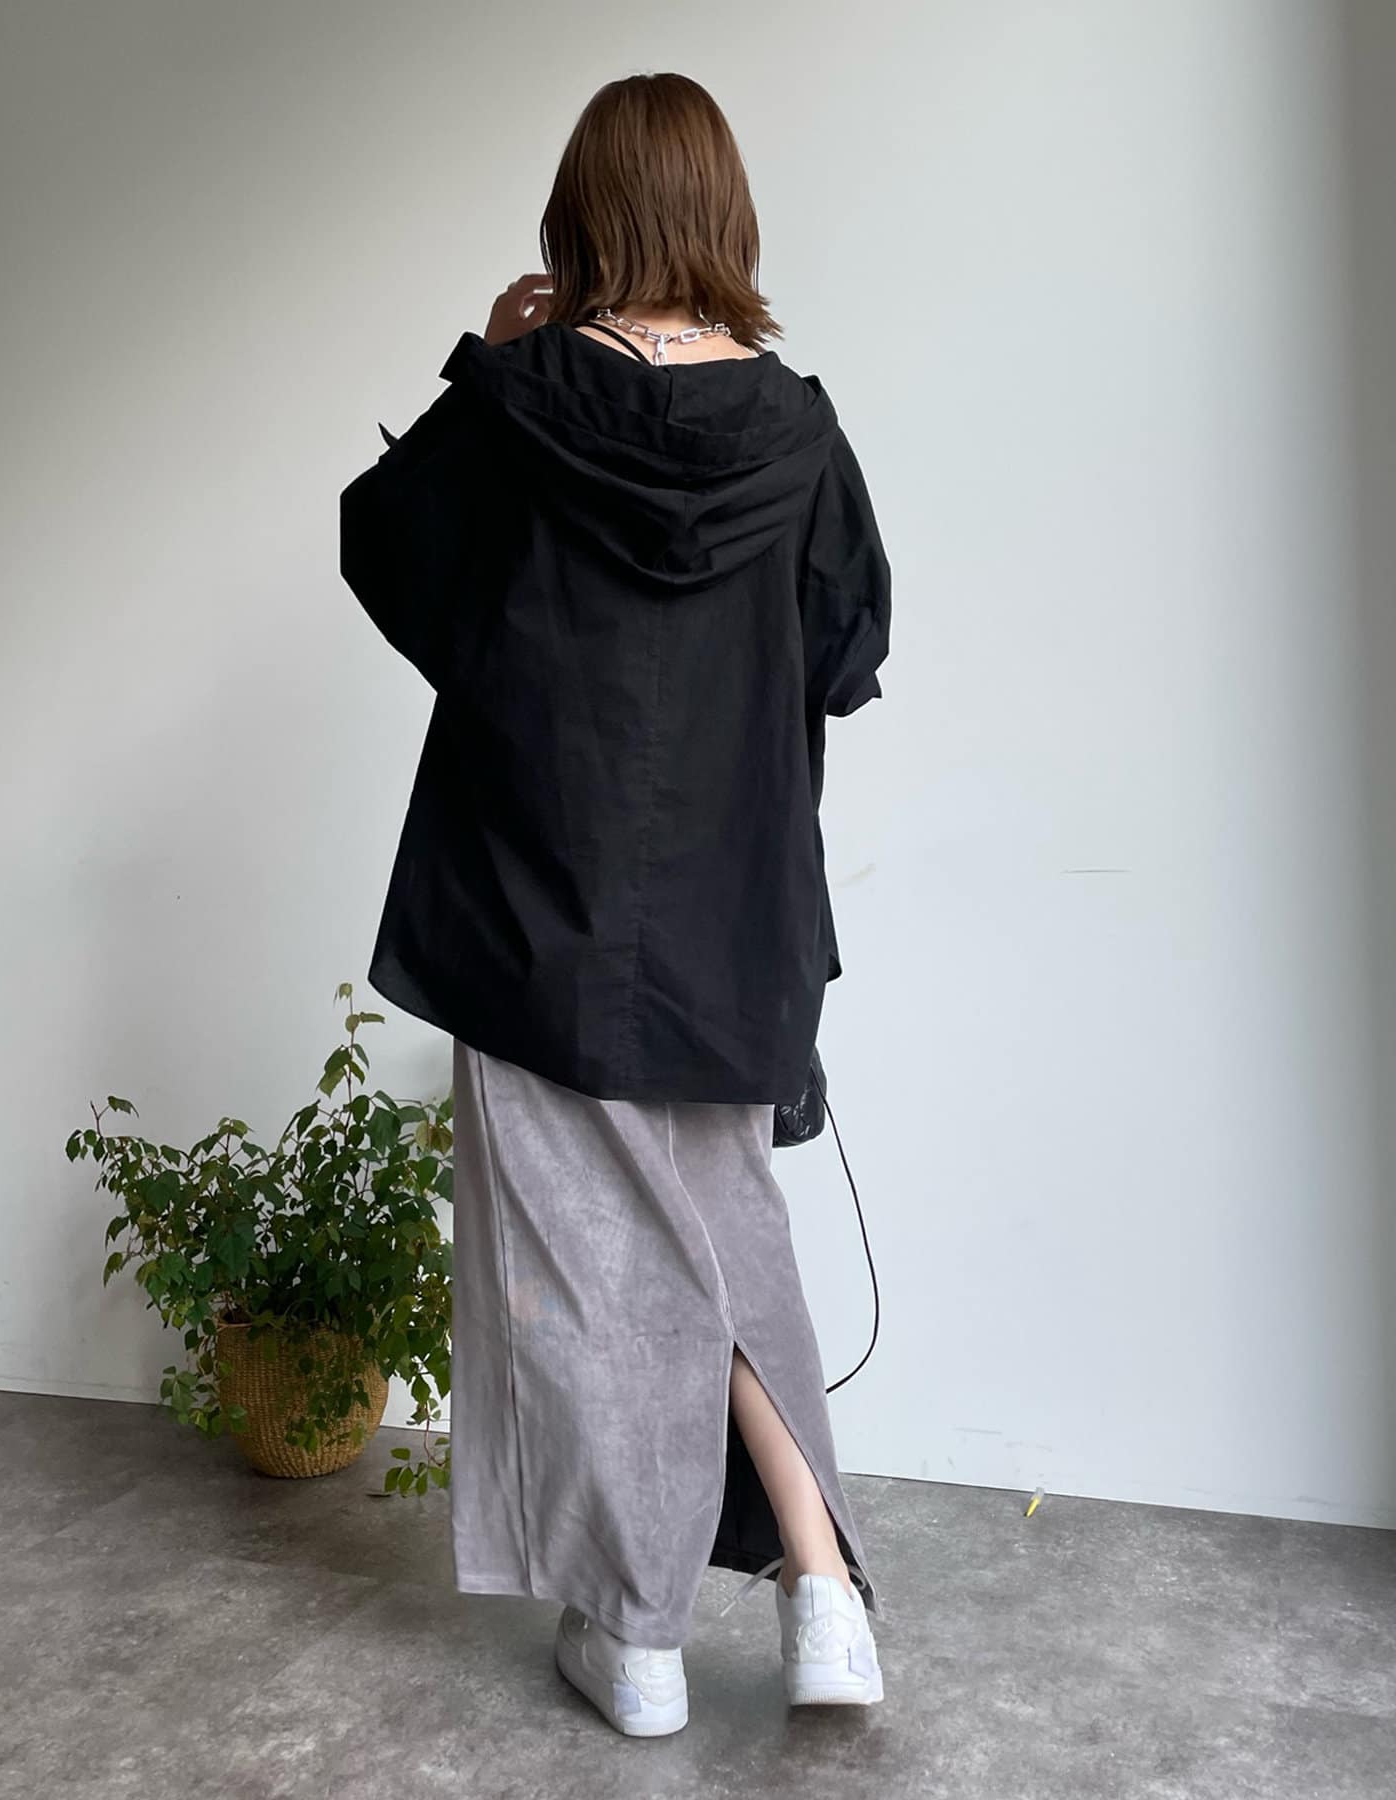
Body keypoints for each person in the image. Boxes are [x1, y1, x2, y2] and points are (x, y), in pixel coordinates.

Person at [339, 70, 891, 1738]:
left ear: (581, 216)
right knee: (726, 1249)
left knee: (591, 1277)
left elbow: (390, 556)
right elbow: (847, 651)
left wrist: (492, 364)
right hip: (732, 917)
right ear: (723, 215)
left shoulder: (521, 405)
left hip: (537, 910)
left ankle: (640, 1644)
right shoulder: (800, 432)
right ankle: (823, 1597)